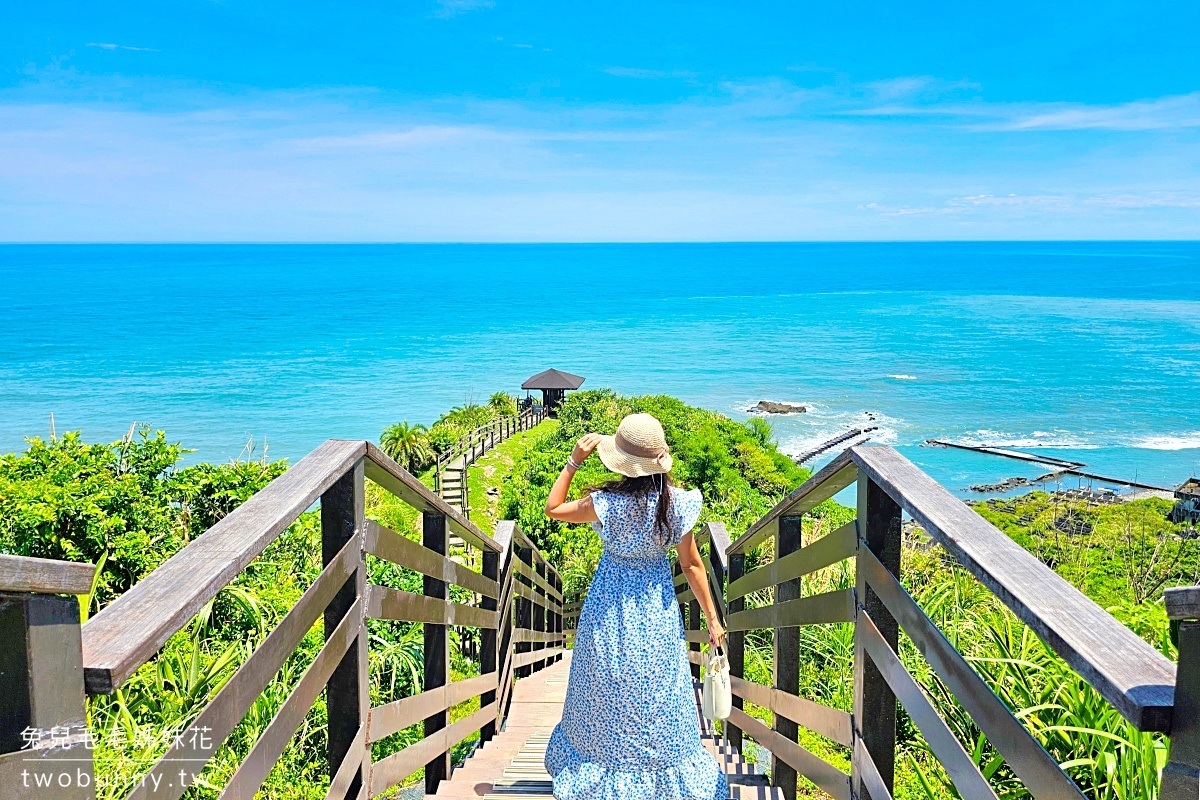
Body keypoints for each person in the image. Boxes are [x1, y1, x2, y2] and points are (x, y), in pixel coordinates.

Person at [542, 412, 729, 800]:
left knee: (604, 690)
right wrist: (712, 619)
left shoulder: (606, 504)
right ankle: (660, 777)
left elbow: (553, 507)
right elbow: (692, 564)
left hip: (607, 610)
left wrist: (574, 461)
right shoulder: (676, 504)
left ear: (623, 464)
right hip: (656, 612)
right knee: (658, 694)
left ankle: (604, 773)